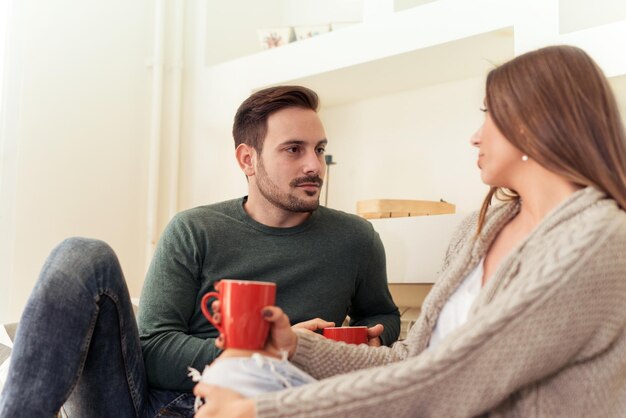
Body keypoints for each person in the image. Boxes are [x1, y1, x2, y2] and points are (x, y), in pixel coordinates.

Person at [192, 45, 626, 418]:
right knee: (234, 370)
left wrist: (258, 411)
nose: (476, 137)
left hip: (440, 398)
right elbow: (410, 360)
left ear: (534, 124)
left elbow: (453, 380)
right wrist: (294, 346)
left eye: (490, 115)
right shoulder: (479, 233)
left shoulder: (598, 241)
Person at [0, 86, 400, 418]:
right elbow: (153, 348)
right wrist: (262, 349)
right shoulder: (195, 230)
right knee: (81, 254)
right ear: (248, 159)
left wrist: (371, 340)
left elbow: (381, 315)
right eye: (294, 149)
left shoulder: (355, 238)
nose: (314, 165)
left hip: (264, 406)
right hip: (151, 404)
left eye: (319, 149)